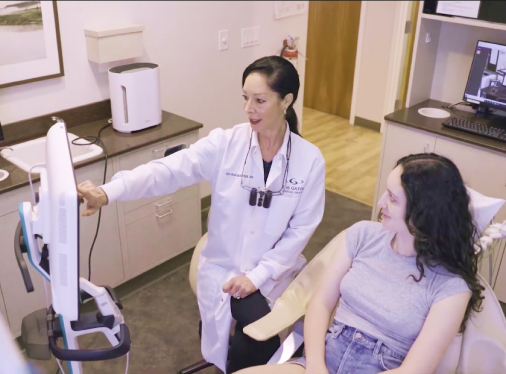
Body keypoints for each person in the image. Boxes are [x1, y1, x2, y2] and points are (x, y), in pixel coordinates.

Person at [77, 56, 325, 373]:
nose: (249, 108)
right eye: (245, 98)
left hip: (274, 271)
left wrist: (257, 276)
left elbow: (299, 231)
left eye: (260, 100)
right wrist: (108, 192)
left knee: (256, 336)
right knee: (250, 334)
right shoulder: (226, 144)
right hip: (223, 267)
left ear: (287, 101)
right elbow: (166, 171)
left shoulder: (309, 161)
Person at [237, 153, 484, 374]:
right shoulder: (363, 235)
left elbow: (414, 370)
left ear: (424, 214)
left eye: (393, 199)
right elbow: (321, 304)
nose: (380, 204)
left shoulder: (451, 288)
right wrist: (315, 365)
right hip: (322, 360)